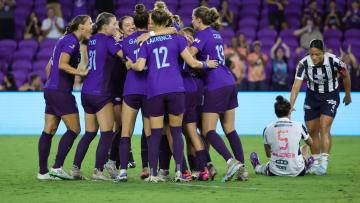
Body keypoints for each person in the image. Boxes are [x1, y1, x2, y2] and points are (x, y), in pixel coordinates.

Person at [125, 6, 218, 182]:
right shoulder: (177, 39)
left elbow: (138, 66)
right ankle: (180, 172)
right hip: (176, 89)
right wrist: (207, 65)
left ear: (154, 23)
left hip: (154, 91)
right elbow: (192, 62)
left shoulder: (146, 41)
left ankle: (153, 174)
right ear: (167, 21)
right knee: (176, 132)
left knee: (156, 132)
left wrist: (130, 64)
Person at [189, 6, 248, 182]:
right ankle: (243, 171)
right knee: (230, 129)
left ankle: (230, 161)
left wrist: (189, 46)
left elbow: (190, 58)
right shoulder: (216, 34)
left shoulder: (202, 34)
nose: (191, 21)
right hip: (229, 81)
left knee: (207, 130)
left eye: (193, 18)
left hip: (215, 84)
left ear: (199, 20)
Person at [71, 12, 124, 181]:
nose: (116, 27)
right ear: (104, 26)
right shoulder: (108, 40)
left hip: (86, 92)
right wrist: (120, 40)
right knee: (108, 132)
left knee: (90, 133)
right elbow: (124, 56)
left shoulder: (92, 40)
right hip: (101, 92)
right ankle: (98, 171)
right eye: (114, 24)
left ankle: (75, 169)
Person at [37, 15, 91, 180]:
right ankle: (57, 167)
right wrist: (81, 72)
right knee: (75, 129)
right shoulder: (72, 41)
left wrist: (52, 84)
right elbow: (62, 64)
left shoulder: (64, 39)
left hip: (52, 89)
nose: (92, 26)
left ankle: (43, 172)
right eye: (90, 23)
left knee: (49, 130)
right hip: (60, 91)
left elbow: (49, 67)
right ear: (81, 26)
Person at [290, 39, 352, 175]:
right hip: (312, 97)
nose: (314, 57)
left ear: (323, 52)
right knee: (312, 131)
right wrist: (291, 105)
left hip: (330, 95)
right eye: (311, 54)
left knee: (324, 127)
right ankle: (316, 162)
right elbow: (296, 86)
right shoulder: (303, 64)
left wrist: (348, 94)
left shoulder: (335, 61)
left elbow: (346, 75)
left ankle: (323, 164)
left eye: (317, 54)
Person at [114, 4, 151, 182]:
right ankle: (151, 170)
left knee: (125, 132)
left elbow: (126, 60)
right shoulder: (152, 39)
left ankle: (122, 172)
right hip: (151, 89)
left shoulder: (126, 41)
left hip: (131, 89)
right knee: (150, 132)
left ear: (135, 23)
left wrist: (129, 63)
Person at [104, 16, 136, 179]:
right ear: (121, 29)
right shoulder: (118, 44)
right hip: (116, 89)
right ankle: (111, 160)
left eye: (133, 24)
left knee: (123, 127)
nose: (131, 27)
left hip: (129, 88)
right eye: (127, 25)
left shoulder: (135, 41)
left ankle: (116, 160)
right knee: (122, 126)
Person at [250, 96, 313, 176]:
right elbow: (310, 142)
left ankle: (257, 166)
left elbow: (268, 154)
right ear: (289, 111)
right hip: (298, 171)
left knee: (264, 167)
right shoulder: (299, 126)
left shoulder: (267, 128)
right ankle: (306, 165)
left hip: (275, 171)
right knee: (305, 147)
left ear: (275, 112)